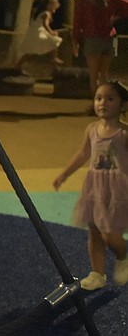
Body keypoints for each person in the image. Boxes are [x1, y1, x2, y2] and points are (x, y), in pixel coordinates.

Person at [53, 81, 128, 290]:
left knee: (110, 235)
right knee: (94, 231)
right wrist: (64, 175)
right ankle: (97, 273)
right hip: (95, 187)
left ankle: (122, 256)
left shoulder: (123, 134)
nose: (102, 103)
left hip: (117, 191)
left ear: (122, 105)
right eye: (98, 98)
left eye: (110, 99)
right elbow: (83, 154)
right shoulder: (92, 129)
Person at [73, 0, 128, 95]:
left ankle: (96, 102)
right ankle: (103, 101)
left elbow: (77, 20)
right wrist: (116, 17)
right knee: (104, 74)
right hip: (109, 37)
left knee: (93, 75)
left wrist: (75, 40)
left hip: (93, 38)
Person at [15, 0, 64, 71]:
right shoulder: (46, 13)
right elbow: (45, 24)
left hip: (34, 32)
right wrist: (51, 32)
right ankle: (54, 57)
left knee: (31, 52)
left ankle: (18, 65)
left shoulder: (41, 13)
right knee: (56, 40)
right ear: (49, 5)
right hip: (39, 32)